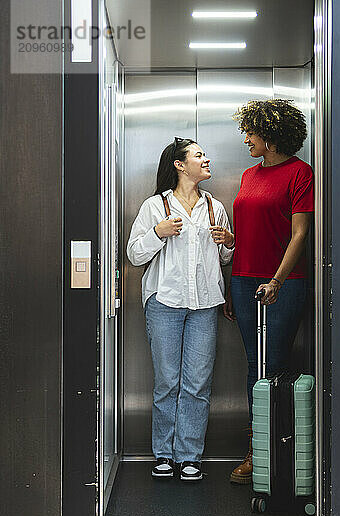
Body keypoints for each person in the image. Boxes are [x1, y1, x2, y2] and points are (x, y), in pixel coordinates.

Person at [126, 137, 234, 482]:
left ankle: (189, 456)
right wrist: (158, 232)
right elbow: (134, 255)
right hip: (164, 303)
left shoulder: (215, 207)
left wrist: (229, 243)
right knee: (167, 382)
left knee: (197, 384)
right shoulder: (155, 207)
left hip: (204, 304)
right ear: (179, 164)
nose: (206, 159)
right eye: (199, 155)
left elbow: (225, 258)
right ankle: (163, 454)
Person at [224, 99, 314, 484]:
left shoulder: (300, 173)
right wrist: (232, 283)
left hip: (284, 283)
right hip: (244, 281)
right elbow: (250, 232)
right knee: (252, 366)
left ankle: (275, 453)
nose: (247, 138)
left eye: (252, 132)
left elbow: (300, 233)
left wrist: (276, 280)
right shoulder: (248, 175)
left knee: (273, 366)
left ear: (272, 135)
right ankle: (258, 449)